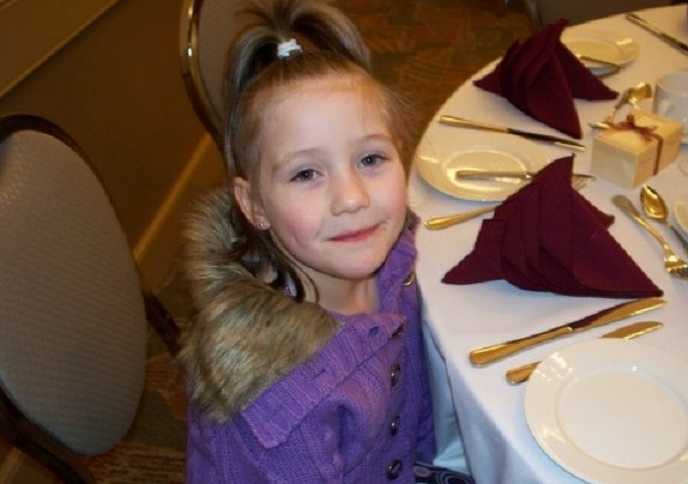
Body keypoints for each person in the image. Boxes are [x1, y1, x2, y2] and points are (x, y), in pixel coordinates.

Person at [178, 0, 474, 482]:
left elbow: (413, 389)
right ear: (253, 205)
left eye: (371, 159)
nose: (352, 198)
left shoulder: (393, 255)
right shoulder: (285, 410)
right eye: (307, 173)